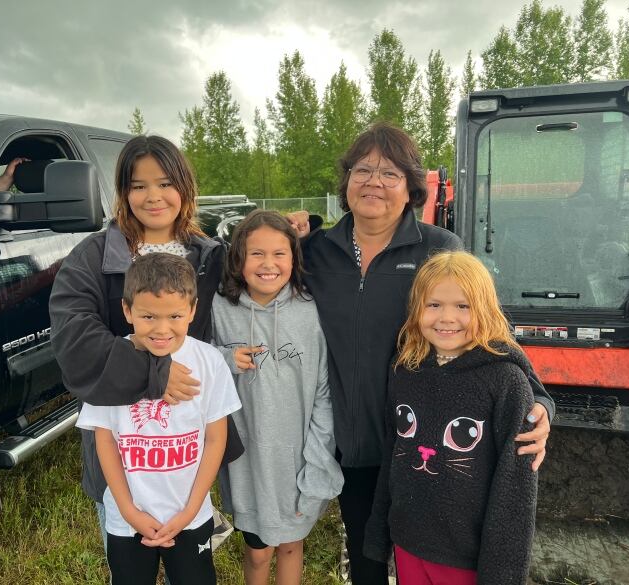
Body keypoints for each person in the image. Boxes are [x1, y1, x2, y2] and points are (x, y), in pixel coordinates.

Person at [287, 122, 554, 584]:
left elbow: (489, 327)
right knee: (366, 556)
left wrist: (539, 399)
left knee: (429, 558)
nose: (373, 182)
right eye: (362, 169)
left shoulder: (438, 248)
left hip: (415, 441)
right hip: (345, 439)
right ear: (346, 179)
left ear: (411, 186)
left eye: (389, 173)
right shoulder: (313, 252)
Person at [49, 135, 230, 551]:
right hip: (121, 453)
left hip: (185, 453)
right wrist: (155, 373)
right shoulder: (92, 258)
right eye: (138, 185)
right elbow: (74, 342)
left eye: (165, 183)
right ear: (123, 192)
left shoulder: (211, 257)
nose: (153, 196)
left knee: (189, 559)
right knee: (129, 557)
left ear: (185, 187)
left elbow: (262, 286)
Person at [363, 250, 538, 585]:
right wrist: (379, 531)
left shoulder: (506, 381)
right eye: (434, 305)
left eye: (463, 306)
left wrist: (502, 574)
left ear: (484, 309)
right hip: (408, 543)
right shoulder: (405, 369)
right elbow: (394, 454)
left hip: (466, 558)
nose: (446, 317)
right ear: (416, 310)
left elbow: (515, 490)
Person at [76, 253, 241, 585]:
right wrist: (129, 510)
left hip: (190, 516)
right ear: (127, 311)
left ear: (193, 311)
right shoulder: (110, 363)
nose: (162, 329)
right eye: (148, 315)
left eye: (176, 315)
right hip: (127, 520)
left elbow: (215, 440)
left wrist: (190, 510)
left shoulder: (208, 362)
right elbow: (104, 440)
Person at [211, 210, 344, 585]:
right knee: (256, 551)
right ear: (238, 259)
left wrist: (316, 462)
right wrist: (224, 360)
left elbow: (323, 395)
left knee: (290, 545)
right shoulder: (221, 308)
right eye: (256, 254)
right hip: (247, 460)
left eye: (279, 254)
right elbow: (197, 359)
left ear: (293, 258)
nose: (268, 264)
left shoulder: (309, 313)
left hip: (296, 458)